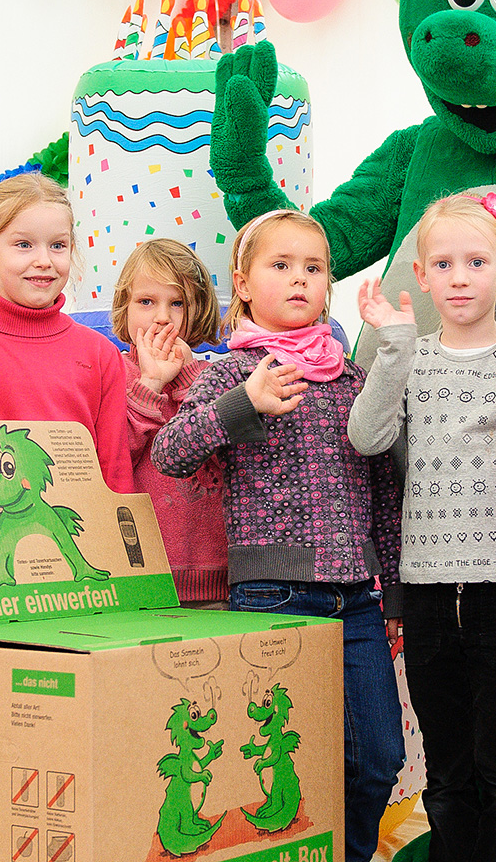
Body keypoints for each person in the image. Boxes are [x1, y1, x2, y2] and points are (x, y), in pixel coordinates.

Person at [151, 209, 404, 862]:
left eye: (314, 269)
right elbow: (172, 452)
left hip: (358, 602)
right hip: (273, 599)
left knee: (378, 758)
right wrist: (246, 405)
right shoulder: (236, 373)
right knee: (285, 765)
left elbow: (384, 495)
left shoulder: (352, 381)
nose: (300, 280)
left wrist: (395, 596)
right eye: (281, 265)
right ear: (243, 283)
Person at [347, 192, 496, 862]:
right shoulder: (411, 359)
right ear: (423, 274)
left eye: (476, 261)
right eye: (444, 263)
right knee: (447, 772)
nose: (460, 275)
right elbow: (367, 436)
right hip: (431, 593)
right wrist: (392, 349)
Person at [0, 172, 134, 492]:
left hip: (82, 533)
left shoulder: (100, 352)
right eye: (24, 244)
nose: (43, 261)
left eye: (58, 245)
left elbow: (114, 466)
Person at [110, 238, 228, 607]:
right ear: (124, 308)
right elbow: (113, 460)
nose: (162, 317)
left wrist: (191, 375)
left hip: (216, 582)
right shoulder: (112, 373)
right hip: (136, 580)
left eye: (177, 303)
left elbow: (229, 454)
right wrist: (151, 385)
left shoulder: (213, 375)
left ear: (197, 309)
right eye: (146, 302)